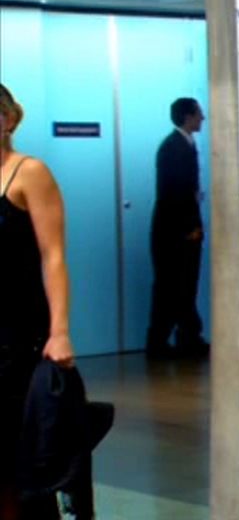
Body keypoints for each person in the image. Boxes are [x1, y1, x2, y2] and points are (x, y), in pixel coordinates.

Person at [1, 83, 75, 519]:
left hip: (15, 336)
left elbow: (54, 256)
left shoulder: (29, 173)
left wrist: (60, 331)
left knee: (20, 461)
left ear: (8, 120)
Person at [146, 97, 208, 359]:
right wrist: (190, 226)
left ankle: (187, 337)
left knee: (183, 285)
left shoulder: (184, 145)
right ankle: (162, 340)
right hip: (174, 232)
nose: (202, 118)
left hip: (180, 228)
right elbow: (174, 192)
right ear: (187, 116)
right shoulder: (174, 148)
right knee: (172, 285)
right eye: (198, 113)